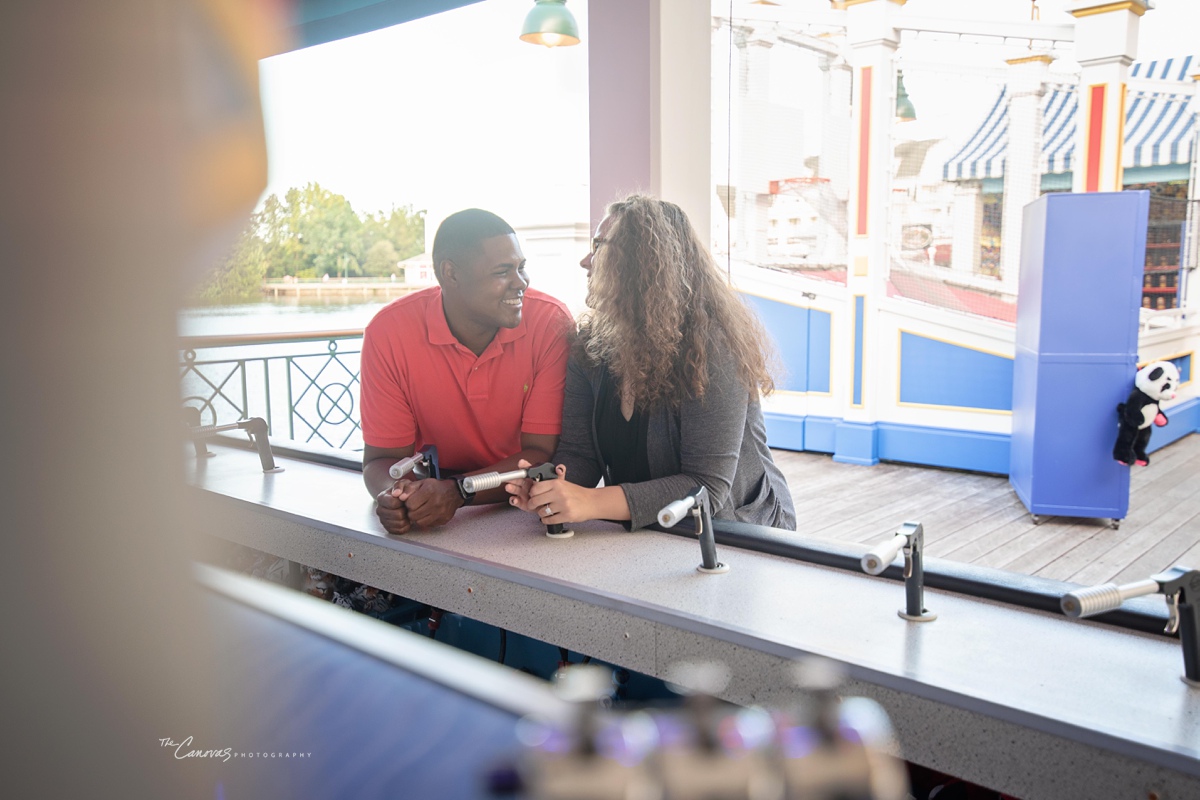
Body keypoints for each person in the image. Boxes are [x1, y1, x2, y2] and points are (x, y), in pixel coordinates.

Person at [505, 195, 796, 531]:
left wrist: (590, 502)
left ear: (643, 263)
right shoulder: (589, 345)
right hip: (652, 532)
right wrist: (550, 488)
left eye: (599, 246)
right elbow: (580, 454)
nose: (585, 260)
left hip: (737, 531)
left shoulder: (712, 346)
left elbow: (707, 487)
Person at [361, 208, 573, 534]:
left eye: (521, 268)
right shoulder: (388, 332)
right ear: (451, 274)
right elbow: (381, 459)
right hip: (438, 502)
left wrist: (458, 491)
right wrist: (396, 497)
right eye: (503, 271)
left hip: (523, 508)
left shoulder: (550, 323)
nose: (521, 283)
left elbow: (542, 454)